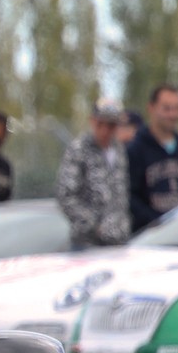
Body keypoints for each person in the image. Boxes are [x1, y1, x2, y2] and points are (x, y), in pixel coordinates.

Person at [55, 98, 131, 250]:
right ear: (92, 121)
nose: (104, 131)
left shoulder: (119, 151)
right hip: (88, 243)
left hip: (119, 242)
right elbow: (66, 195)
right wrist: (94, 226)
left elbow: (122, 192)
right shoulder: (79, 150)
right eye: (100, 124)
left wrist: (123, 224)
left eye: (111, 125)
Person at [127, 84, 178, 232]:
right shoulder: (136, 149)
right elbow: (130, 197)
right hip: (149, 237)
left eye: (177, 108)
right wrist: (158, 222)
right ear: (151, 108)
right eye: (167, 108)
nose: (173, 115)